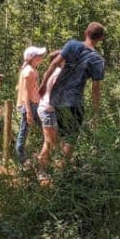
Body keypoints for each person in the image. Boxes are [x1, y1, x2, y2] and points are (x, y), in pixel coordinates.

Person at [37, 22, 105, 166]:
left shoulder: (72, 45)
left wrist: (43, 84)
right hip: (73, 101)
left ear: (86, 33)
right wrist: (97, 112)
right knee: (70, 139)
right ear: (101, 38)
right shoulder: (97, 60)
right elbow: (96, 88)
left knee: (61, 137)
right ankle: (61, 174)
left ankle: (49, 170)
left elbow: (54, 63)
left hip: (57, 98)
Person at [15, 45, 47, 166]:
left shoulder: (30, 70)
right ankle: (21, 160)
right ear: (32, 58)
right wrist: (28, 111)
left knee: (44, 128)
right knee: (24, 132)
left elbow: (22, 88)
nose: (41, 58)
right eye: (39, 56)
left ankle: (35, 157)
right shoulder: (29, 71)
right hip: (29, 106)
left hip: (33, 104)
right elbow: (26, 93)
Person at [35, 58, 64, 173]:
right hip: (47, 110)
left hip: (49, 109)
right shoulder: (58, 73)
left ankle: (47, 168)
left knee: (51, 142)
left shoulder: (56, 72)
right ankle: (42, 170)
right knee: (50, 142)